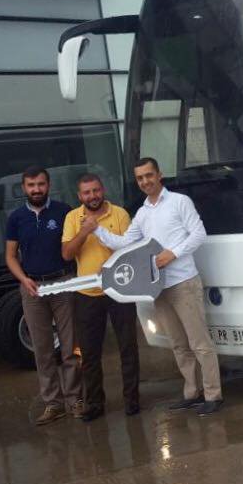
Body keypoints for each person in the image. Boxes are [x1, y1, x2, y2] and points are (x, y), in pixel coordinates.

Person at [87, 157, 223, 416]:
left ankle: (213, 394)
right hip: (158, 287)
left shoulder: (180, 202)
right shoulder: (142, 213)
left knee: (199, 342)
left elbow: (199, 233)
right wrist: (97, 230)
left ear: (159, 175)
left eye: (149, 175)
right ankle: (192, 393)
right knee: (178, 344)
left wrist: (173, 253)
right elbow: (125, 243)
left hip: (183, 282)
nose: (145, 181)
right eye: (140, 178)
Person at [5, 166, 83, 425]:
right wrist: (23, 278)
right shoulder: (16, 218)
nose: (36, 189)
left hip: (63, 283)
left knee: (70, 347)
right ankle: (53, 404)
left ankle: (75, 399)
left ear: (48, 185)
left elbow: (73, 247)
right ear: (24, 188)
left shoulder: (64, 211)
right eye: (31, 185)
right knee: (43, 350)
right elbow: (10, 256)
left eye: (40, 184)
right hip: (33, 288)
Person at [61, 173, 140, 422]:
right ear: (79, 196)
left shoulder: (119, 214)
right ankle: (95, 403)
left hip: (120, 291)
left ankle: (132, 400)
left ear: (102, 190)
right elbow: (66, 254)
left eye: (95, 190)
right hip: (88, 294)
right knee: (89, 352)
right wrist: (85, 231)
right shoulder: (72, 218)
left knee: (128, 347)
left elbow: (130, 249)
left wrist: (103, 235)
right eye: (87, 192)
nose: (92, 196)